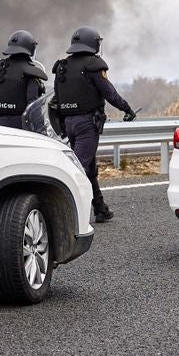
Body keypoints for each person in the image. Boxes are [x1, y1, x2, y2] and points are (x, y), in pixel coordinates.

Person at [52, 26, 136, 224]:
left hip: (68, 123)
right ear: (94, 43)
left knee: (88, 167)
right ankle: (64, 216)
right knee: (78, 170)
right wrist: (127, 109)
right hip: (86, 124)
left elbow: (56, 98)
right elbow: (110, 93)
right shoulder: (94, 65)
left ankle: (100, 208)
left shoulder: (62, 66)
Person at [0, 31, 48, 130]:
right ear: (30, 48)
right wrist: (41, 130)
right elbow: (33, 107)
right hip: (20, 127)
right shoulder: (31, 72)